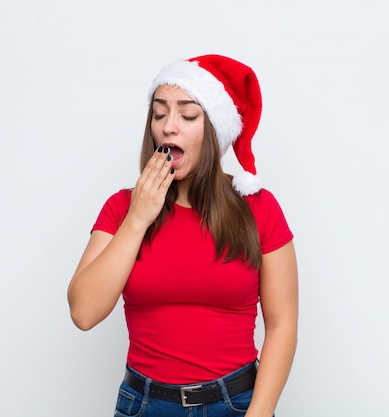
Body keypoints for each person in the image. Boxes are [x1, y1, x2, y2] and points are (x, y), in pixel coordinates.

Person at [67, 54, 298, 417]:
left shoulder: (259, 208)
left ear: (215, 129)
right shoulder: (122, 208)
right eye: (159, 114)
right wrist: (138, 219)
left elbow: (282, 324)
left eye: (187, 115)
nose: (168, 127)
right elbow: (83, 312)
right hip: (144, 405)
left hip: (237, 405)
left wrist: (260, 412)